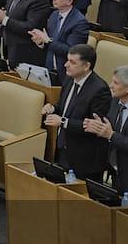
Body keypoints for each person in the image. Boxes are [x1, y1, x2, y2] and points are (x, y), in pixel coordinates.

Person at [82, 68, 128, 204]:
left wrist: (111, 135)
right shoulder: (114, 101)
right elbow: (110, 128)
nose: (111, 85)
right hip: (115, 171)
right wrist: (99, 127)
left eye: (116, 83)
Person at [46, 44, 112, 181]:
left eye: (72, 62)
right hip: (64, 149)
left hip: (85, 158)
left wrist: (63, 122)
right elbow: (65, 108)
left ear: (86, 66)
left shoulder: (100, 90)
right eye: (67, 60)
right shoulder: (69, 78)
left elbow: (94, 126)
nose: (66, 65)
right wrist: (53, 108)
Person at [31, 0, 88, 82]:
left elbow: (71, 51)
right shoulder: (54, 15)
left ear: (69, 1)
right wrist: (41, 42)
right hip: (49, 72)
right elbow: (50, 44)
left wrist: (47, 41)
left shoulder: (79, 22)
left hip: (66, 75)